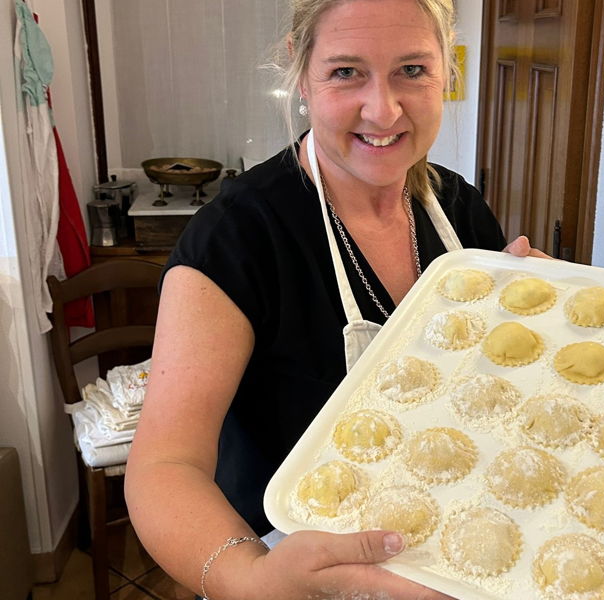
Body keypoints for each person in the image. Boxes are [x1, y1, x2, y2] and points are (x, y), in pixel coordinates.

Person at [125, 0, 548, 598]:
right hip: (295, 571)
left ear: (445, 73)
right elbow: (164, 468)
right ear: (302, 75)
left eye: (412, 69)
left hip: (448, 556)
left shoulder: (459, 210)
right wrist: (245, 579)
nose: (384, 109)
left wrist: (540, 318)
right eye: (347, 72)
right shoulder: (237, 237)